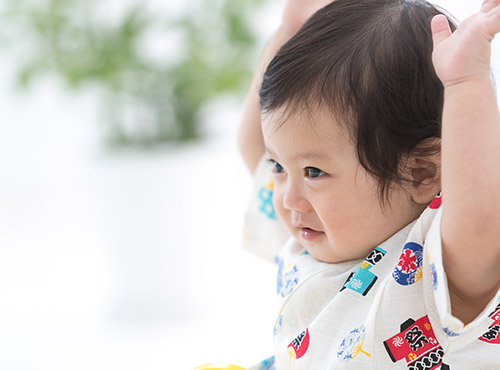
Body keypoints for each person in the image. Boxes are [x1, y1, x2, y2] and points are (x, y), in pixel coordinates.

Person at [239, 0, 500, 368]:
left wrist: (464, 83)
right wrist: (289, 29)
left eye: (314, 172)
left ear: (422, 172)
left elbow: (480, 221)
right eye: (279, 166)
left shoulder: (431, 268)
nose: (287, 198)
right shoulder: (308, 234)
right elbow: (255, 145)